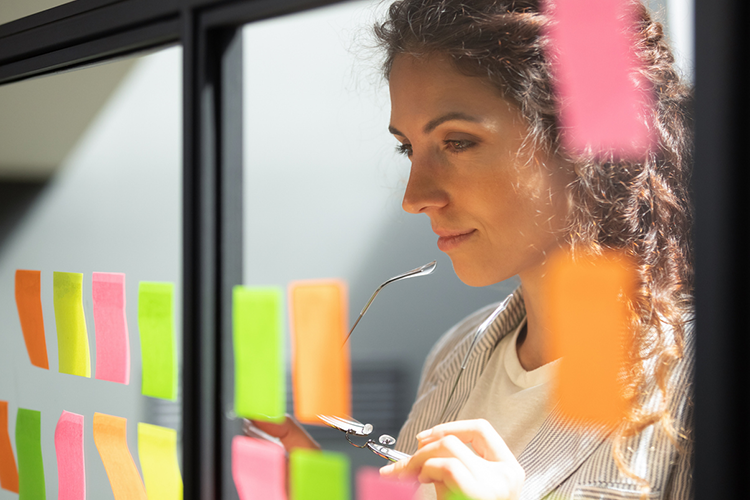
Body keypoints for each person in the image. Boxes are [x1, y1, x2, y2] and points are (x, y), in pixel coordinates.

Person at [247, 1, 694, 499]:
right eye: (407, 148)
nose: (414, 198)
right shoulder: (456, 354)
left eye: (457, 143)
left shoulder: (701, 378)